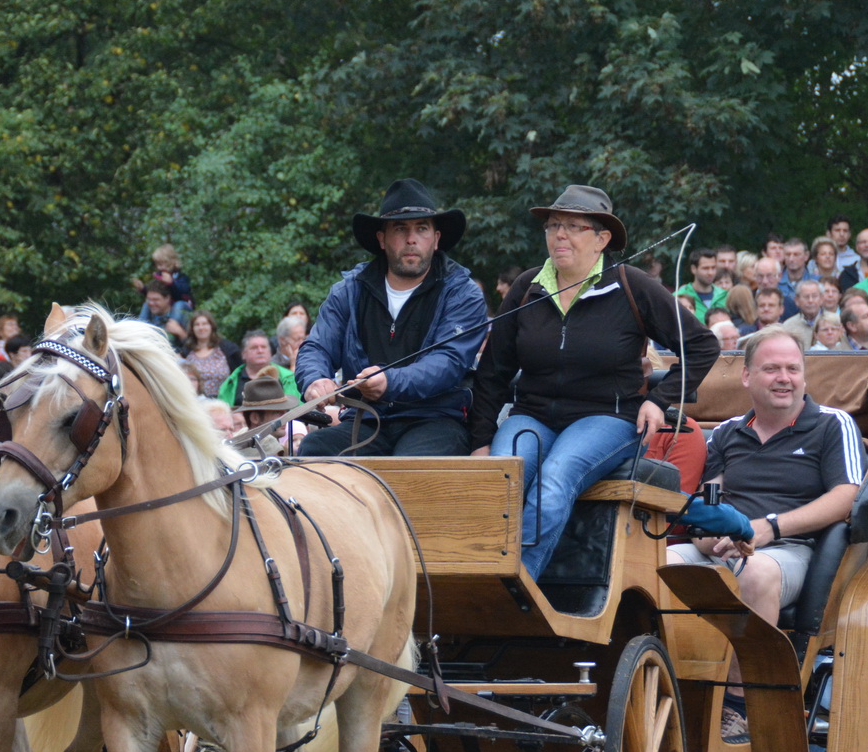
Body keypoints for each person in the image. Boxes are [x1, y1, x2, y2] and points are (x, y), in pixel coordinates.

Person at [473, 186, 717, 576]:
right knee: (497, 478)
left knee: (555, 478)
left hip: (608, 417)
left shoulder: (631, 285)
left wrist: (661, 398)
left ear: (602, 238)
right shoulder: (526, 287)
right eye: (553, 225)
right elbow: (492, 373)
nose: (560, 235)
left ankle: (513, 585)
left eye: (573, 226)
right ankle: (475, 575)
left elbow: (702, 345)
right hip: (532, 415)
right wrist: (481, 441)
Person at [667, 331, 862, 741]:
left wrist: (768, 528)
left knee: (754, 572)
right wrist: (709, 537)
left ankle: (740, 709)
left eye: (793, 369)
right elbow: (708, 498)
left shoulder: (832, 424)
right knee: (654, 568)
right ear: (746, 376)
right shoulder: (725, 433)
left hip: (793, 548)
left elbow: (847, 496)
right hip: (721, 545)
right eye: (771, 368)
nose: (784, 378)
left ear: (805, 377)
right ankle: (666, 691)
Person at [296, 179, 488, 458]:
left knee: (410, 465)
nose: (411, 239)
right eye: (400, 229)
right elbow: (317, 347)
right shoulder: (349, 291)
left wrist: (390, 382)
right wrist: (315, 380)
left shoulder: (462, 292)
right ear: (382, 239)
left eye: (421, 228)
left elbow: (449, 362)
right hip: (364, 419)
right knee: (314, 449)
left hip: (435, 420)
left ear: (435, 240)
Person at [218, 329, 298, 408]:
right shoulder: (229, 384)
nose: (260, 351)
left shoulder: (289, 378)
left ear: (270, 352)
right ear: (243, 354)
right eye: (254, 347)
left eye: (263, 347)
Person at [181, 310, 238, 398]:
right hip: (195, 402)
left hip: (223, 401)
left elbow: (237, 375)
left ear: (212, 326)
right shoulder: (186, 352)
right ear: (192, 328)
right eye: (197, 324)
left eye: (205, 324)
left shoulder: (227, 349)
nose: (201, 328)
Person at [130, 242, 194, 307]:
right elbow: (155, 293)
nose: (159, 267)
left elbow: (183, 292)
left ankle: (173, 318)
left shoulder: (180, 276)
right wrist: (142, 288)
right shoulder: (159, 276)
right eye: (158, 264)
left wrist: (171, 284)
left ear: (172, 262)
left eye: (162, 264)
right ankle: (143, 317)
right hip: (164, 307)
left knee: (178, 305)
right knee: (147, 304)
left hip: (181, 306)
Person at [675, 249, 726, 317]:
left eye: (713, 268)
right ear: (693, 269)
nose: (710, 273)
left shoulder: (725, 295)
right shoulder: (678, 297)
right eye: (705, 268)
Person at [777, 280, 824, 348]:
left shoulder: (834, 322)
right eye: (806, 297)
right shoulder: (788, 326)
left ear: (821, 299)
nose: (810, 300)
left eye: (814, 296)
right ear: (797, 300)